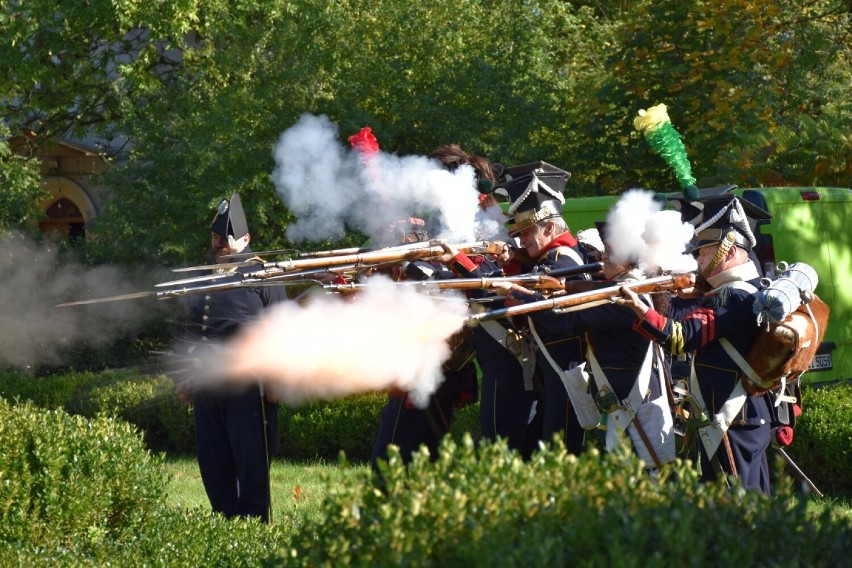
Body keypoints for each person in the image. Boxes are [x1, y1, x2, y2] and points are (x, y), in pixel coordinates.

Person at [616, 194, 773, 493]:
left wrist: (639, 307)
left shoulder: (734, 294)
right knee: (750, 502)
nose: (697, 259)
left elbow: (680, 337)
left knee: (734, 504)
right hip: (744, 415)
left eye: (703, 251)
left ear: (727, 251)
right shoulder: (743, 289)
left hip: (733, 415)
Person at [447, 162, 591, 455]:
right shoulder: (554, 258)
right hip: (553, 373)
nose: (520, 240)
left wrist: (459, 262)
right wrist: (512, 261)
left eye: (526, 232)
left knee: (559, 459)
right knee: (535, 453)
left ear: (549, 227)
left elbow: (516, 303)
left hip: (566, 375)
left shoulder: (560, 262)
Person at [503, 224, 675, 467]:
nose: (603, 255)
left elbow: (567, 322)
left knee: (649, 480)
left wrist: (522, 296)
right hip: (623, 406)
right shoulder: (619, 292)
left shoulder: (625, 300)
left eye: (611, 251)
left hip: (637, 407)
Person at [172, 192, 286, 521]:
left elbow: (281, 330)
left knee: (250, 461)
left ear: (246, 239)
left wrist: (277, 381)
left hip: (248, 385)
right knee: (213, 460)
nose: (219, 243)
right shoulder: (203, 273)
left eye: (226, 238)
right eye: (215, 237)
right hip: (206, 382)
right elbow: (185, 330)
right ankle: (224, 519)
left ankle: (251, 522)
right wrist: (182, 376)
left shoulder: (264, 275)